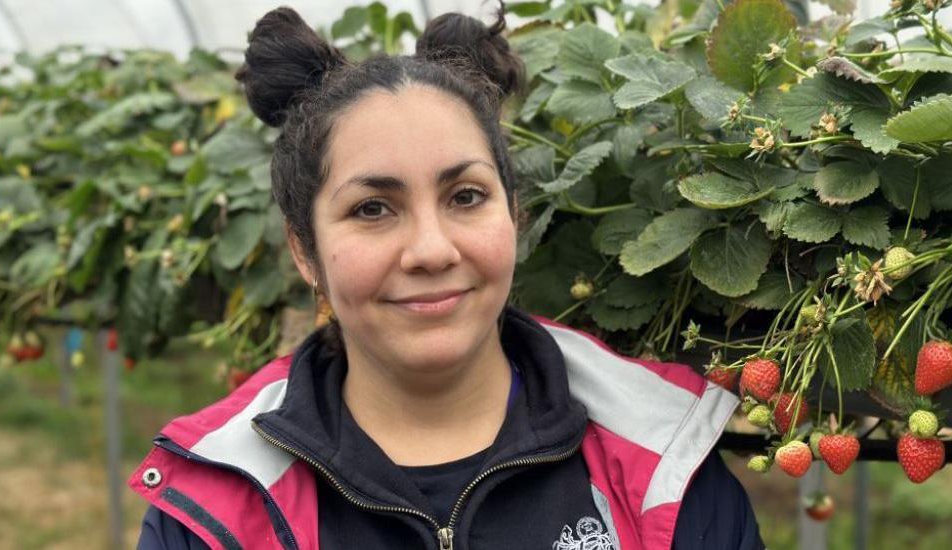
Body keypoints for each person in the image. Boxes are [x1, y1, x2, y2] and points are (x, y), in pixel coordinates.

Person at [132, 4, 765, 549]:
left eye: (464, 196)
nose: (431, 251)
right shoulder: (217, 500)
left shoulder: (665, 459)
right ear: (304, 250)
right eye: (372, 209)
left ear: (514, 214)